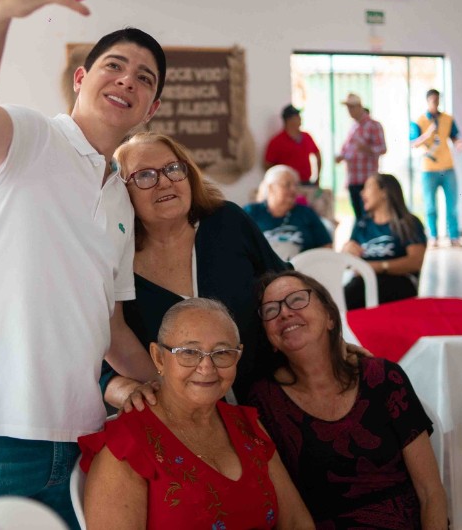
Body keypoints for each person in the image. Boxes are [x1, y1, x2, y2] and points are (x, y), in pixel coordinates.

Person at [0, 0, 164, 526]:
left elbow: (110, 328)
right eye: (114, 66)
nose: (127, 80)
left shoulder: (120, 197)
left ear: (151, 109)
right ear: (81, 78)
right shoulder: (34, 139)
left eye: (143, 78)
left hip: (79, 432)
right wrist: (1, 11)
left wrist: (178, 384)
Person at [80, 298, 314, 530]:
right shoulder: (125, 446)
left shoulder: (247, 425)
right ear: (159, 357)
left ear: (237, 357)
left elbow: (297, 523)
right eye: (189, 352)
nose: (206, 367)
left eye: (222, 352)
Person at [248, 270, 447, 529]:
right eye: (271, 310)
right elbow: (291, 517)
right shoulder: (263, 402)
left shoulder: (384, 378)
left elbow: (431, 493)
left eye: (297, 300)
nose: (284, 313)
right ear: (270, 339)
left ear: (330, 317)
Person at [105, 132, 288, 407]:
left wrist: (329, 345)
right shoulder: (116, 261)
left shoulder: (228, 222)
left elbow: (284, 285)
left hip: (272, 398)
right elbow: (103, 360)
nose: (164, 181)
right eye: (144, 175)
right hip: (185, 417)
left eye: (173, 168)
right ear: (122, 193)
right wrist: (137, 392)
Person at [343, 174, 427, 309]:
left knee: (354, 292)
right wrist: (346, 250)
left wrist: (379, 267)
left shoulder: (408, 222)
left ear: (384, 192)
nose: (362, 193)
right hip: (363, 283)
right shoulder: (362, 225)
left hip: (399, 283)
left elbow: (416, 261)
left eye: (368, 187)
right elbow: (347, 262)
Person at [411, 89, 462, 248]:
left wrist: (458, 143)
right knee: (430, 206)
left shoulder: (448, 119)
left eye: (437, 100)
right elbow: (413, 143)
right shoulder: (419, 121)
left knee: (452, 205)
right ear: (428, 101)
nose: (435, 103)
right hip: (429, 169)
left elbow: (455, 136)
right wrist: (427, 134)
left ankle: (454, 236)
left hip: (447, 167)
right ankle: (433, 236)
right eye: (432, 100)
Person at [244, 165, 332, 262]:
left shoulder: (306, 213)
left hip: (302, 267)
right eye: (287, 185)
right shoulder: (251, 212)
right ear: (271, 188)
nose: (293, 190)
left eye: (296, 185)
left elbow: (327, 246)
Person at [335, 93, 386, 219]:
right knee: (359, 217)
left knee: (369, 216)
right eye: (348, 108)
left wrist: (367, 149)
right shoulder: (353, 127)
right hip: (353, 179)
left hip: (367, 179)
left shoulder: (373, 125)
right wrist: (342, 156)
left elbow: (382, 148)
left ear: (359, 107)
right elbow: (348, 149)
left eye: (352, 107)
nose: (349, 111)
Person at [265, 104, 321, 186]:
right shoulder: (277, 141)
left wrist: (318, 177)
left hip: (306, 183)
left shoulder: (307, 137)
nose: (300, 118)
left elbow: (317, 155)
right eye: (297, 116)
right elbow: (268, 164)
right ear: (289, 120)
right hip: (286, 185)